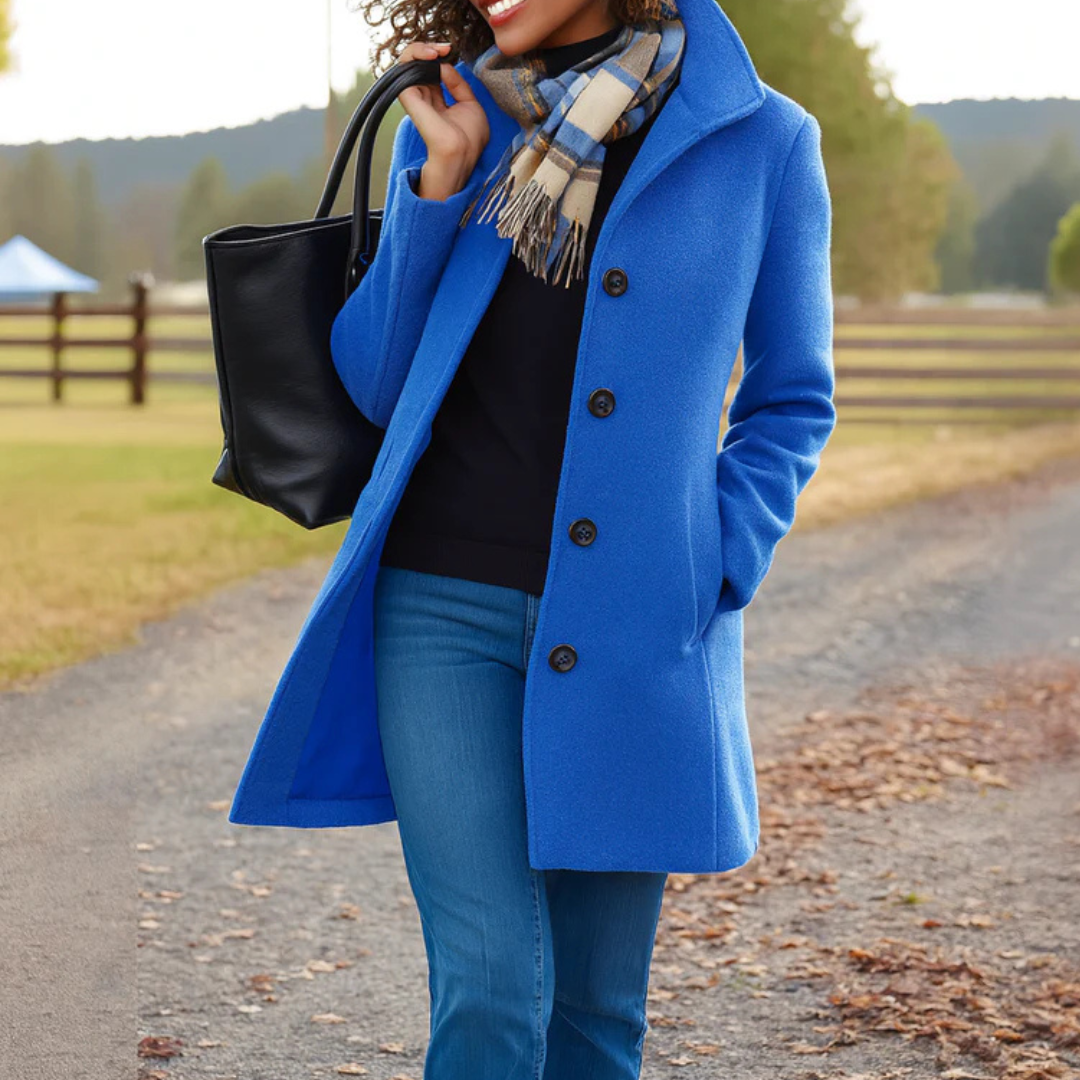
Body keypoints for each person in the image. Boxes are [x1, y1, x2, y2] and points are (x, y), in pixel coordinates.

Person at [231, 0, 835, 1076]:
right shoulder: (453, 121)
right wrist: (439, 186)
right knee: (491, 989)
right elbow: (374, 383)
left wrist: (720, 555)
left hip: (636, 628)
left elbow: (791, 399)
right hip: (441, 610)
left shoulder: (764, 140)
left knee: (597, 1019)